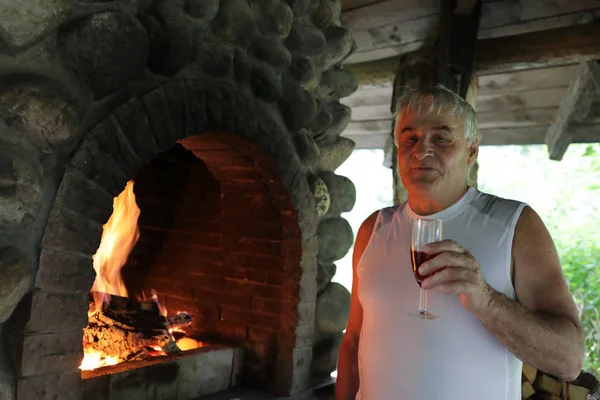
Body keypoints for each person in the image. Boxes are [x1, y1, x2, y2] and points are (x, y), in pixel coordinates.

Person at [336, 86, 585, 400]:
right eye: (409, 138)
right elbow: (354, 339)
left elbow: (570, 361)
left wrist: (485, 299)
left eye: (441, 138)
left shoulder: (515, 224)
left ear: (472, 151)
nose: (421, 150)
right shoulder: (374, 228)